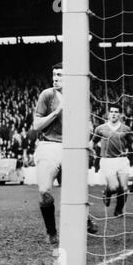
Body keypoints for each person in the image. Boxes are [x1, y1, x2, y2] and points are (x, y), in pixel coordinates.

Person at [33, 63, 97, 245]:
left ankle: (85, 219)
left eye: (60, 75)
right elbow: (36, 125)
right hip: (49, 145)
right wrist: (57, 112)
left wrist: (86, 141)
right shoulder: (47, 95)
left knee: (75, 191)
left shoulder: (79, 97)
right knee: (44, 191)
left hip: (71, 147)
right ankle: (52, 232)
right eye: (54, 75)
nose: (55, 78)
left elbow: (88, 125)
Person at [90, 104, 133, 217]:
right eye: (111, 112)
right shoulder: (100, 128)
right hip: (107, 161)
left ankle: (118, 211)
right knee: (114, 187)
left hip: (122, 160)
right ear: (108, 114)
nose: (114, 114)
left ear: (120, 114)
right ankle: (107, 192)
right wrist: (88, 150)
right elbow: (92, 142)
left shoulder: (126, 129)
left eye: (116, 112)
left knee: (124, 188)